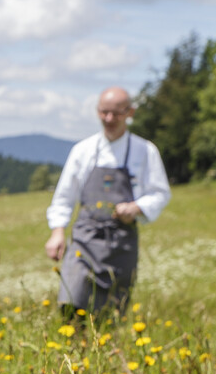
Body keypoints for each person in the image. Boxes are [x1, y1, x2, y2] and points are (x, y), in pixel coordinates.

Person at [45, 86, 170, 318]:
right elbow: (64, 197)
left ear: (130, 112)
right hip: (85, 239)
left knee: (112, 312)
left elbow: (160, 193)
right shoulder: (82, 150)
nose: (109, 119)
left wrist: (136, 207)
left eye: (116, 113)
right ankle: (73, 348)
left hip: (122, 242)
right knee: (71, 300)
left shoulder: (145, 151)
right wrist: (57, 232)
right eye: (104, 112)